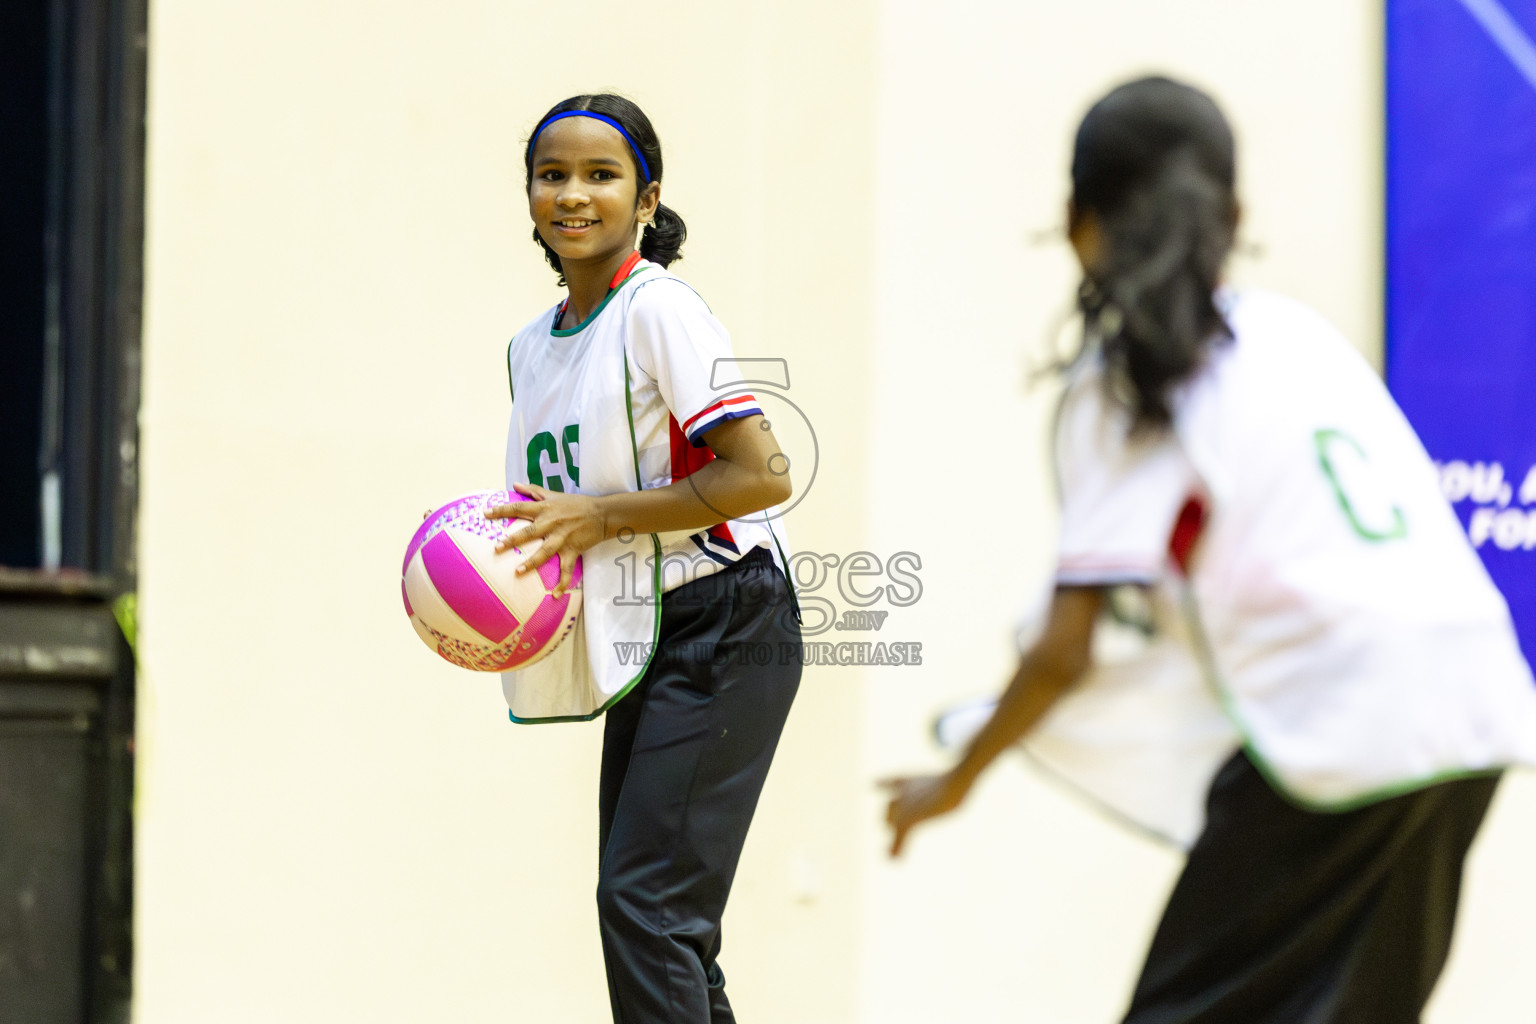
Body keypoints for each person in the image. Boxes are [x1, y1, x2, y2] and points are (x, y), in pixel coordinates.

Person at [883, 75, 1536, 1024]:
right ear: (1236, 214)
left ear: (1077, 222)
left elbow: (1066, 649)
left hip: (1342, 720)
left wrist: (960, 775)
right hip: (1475, 702)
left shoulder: (1134, 373)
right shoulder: (1299, 335)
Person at [485, 93, 801, 1024]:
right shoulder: (528, 348)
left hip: (730, 615)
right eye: (553, 175)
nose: (573, 193)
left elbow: (762, 473)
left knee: (645, 907)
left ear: (647, 199)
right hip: (647, 623)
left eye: (600, 175)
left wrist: (604, 519)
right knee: (663, 921)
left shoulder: (660, 311)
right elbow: (557, 516)